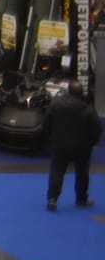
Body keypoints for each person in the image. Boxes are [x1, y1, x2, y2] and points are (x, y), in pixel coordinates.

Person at [46, 82, 101, 211]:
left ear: (68, 91)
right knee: (82, 174)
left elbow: (47, 123)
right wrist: (91, 143)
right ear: (81, 93)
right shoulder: (87, 108)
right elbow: (96, 129)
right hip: (82, 147)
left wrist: (50, 139)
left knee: (57, 171)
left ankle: (52, 199)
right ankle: (81, 199)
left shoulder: (55, 104)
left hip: (59, 145)